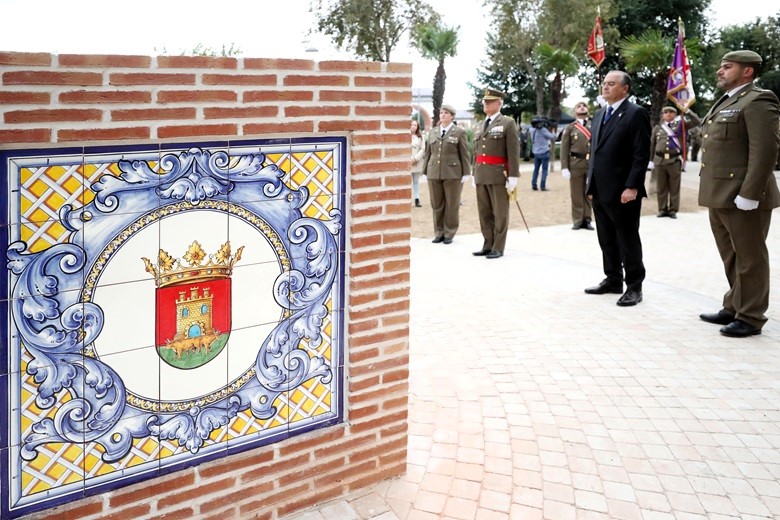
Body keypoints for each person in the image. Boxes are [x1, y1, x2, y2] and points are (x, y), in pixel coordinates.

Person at [698, 50, 780, 337]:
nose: (720, 71)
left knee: (750, 257)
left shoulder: (759, 100)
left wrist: (750, 193)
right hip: (719, 193)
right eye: (721, 66)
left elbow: (765, 150)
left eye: (727, 66)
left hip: (743, 196)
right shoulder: (727, 100)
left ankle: (751, 316)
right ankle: (734, 305)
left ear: (747, 71)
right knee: (731, 256)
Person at [584, 70, 651, 306]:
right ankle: (613, 279)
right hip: (600, 189)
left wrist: (632, 186)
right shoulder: (599, 114)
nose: (605, 87)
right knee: (606, 238)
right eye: (604, 83)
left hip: (623, 191)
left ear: (625, 88)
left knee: (627, 239)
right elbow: (595, 152)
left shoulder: (635, 113)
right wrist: (590, 184)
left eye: (611, 84)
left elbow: (641, 154)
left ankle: (634, 286)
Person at [473, 88, 520, 259]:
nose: (486, 103)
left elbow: (513, 151)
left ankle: (498, 247)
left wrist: (513, 176)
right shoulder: (480, 124)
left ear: (499, 103)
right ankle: (488, 244)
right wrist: (473, 173)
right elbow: (475, 151)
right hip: (481, 173)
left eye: (490, 101)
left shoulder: (507, 123)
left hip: (499, 174)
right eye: (485, 101)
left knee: (500, 213)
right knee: (484, 212)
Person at [421, 104, 470, 244]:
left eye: (446, 113)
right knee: (436, 204)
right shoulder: (433, 132)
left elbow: (464, 153)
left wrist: (466, 172)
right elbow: (428, 153)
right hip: (434, 172)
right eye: (441, 112)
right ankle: (439, 232)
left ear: (452, 116)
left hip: (453, 174)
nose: (442, 115)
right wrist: (425, 170)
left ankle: (449, 233)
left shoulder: (459, 132)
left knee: (452, 205)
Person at [648, 106, 701, 219]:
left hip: (674, 160)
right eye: (665, 112)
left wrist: (687, 111)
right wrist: (651, 160)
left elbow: (697, 121)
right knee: (661, 187)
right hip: (659, 160)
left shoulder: (681, 126)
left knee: (674, 187)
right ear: (662, 115)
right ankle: (662, 209)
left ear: (675, 114)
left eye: (671, 112)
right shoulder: (658, 128)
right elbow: (652, 145)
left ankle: (673, 210)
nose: (668, 114)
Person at [561, 101, 594, 230]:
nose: (582, 108)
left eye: (584, 106)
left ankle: (587, 219)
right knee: (576, 193)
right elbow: (564, 148)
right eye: (579, 106)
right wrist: (564, 167)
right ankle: (577, 220)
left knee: (589, 192)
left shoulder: (594, 124)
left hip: (591, 164)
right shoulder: (570, 127)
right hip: (575, 163)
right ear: (575, 111)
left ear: (588, 110)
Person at [529, 116, 557, 191]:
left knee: (536, 169)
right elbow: (553, 137)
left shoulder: (531, 130)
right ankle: (542, 186)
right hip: (544, 152)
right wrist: (553, 130)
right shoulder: (543, 130)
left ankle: (534, 185)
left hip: (536, 152)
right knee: (544, 170)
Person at [410, 119, 425, 208]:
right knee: (408, 182)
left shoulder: (420, 137)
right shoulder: (405, 135)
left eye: (415, 125)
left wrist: (415, 158)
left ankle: (417, 199)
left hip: (417, 162)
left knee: (416, 181)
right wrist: (410, 159)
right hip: (408, 162)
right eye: (412, 124)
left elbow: (423, 149)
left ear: (418, 127)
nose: (413, 126)